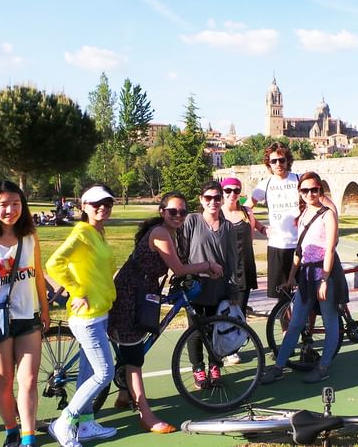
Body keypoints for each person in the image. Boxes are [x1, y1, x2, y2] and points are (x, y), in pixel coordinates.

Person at [109, 192, 223, 434]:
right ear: (162, 212)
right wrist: (207, 265)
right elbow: (179, 269)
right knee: (135, 356)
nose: (178, 216)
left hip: (141, 291)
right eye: (173, 211)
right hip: (132, 293)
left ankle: (122, 395)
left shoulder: (168, 232)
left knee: (131, 350)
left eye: (183, 212)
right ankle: (145, 415)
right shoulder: (160, 233)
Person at [0, 180, 50, 447]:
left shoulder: (30, 236)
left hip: (28, 317)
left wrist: (45, 311)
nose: (10, 210)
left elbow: (38, 277)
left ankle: (28, 436)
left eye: (16, 203)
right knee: (4, 381)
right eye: (3, 204)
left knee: (28, 380)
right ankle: (11, 428)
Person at [45, 184, 118, 447]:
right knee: (104, 373)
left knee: (89, 372)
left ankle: (85, 423)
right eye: (96, 203)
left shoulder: (98, 233)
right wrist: (77, 291)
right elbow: (54, 263)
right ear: (83, 206)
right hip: (87, 316)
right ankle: (65, 421)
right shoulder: (81, 233)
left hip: (100, 312)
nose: (103, 208)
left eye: (107, 203)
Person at [260, 171, 348, 384]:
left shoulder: (328, 214)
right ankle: (279, 366)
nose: (309, 194)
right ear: (300, 192)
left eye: (314, 189)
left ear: (320, 191)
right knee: (296, 322)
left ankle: (324, 366)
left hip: (324, 273)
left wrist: (325, 280)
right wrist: (292, 276)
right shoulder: (303, 215)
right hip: (306, 275)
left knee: (330, 321)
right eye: (305, 190)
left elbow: (329, 249)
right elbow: (299, 250)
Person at [246, 142, 336, 302]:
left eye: (282, 160)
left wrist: (334, 233)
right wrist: (261, 228)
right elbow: (246, 209)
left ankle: (307, 327)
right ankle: (288, 328)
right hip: (277, 246)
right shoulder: (264, 185)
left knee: (308, 294)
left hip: (303, 246)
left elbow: (329, 205)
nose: (278, 164)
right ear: (269, 164)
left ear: (288, 160)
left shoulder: (299, 180)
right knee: (282, 297)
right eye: (274, 161)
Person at [181, 181, 239, 390]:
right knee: (195, 331)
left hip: (219, 288)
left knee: (216, 330)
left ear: (222, 199)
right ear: (201, 200)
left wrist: (234, 288)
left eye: (217, 197)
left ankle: (215, 365)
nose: (213, 202)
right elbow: (183, 253)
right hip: (195, 286)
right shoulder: (192, 221)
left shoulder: (228, 227)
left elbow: (233, 260)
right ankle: (198, 368)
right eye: (208, 198)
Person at [220, 177, 259, 317]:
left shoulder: (247, 212)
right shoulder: (217, 214)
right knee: (222, 314)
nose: (232, 194)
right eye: (228, 190)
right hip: (223, 271)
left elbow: (250, 238)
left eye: (236, 190)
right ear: (222, 192)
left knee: (239, 314)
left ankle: (239, 338)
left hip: (244, 269)